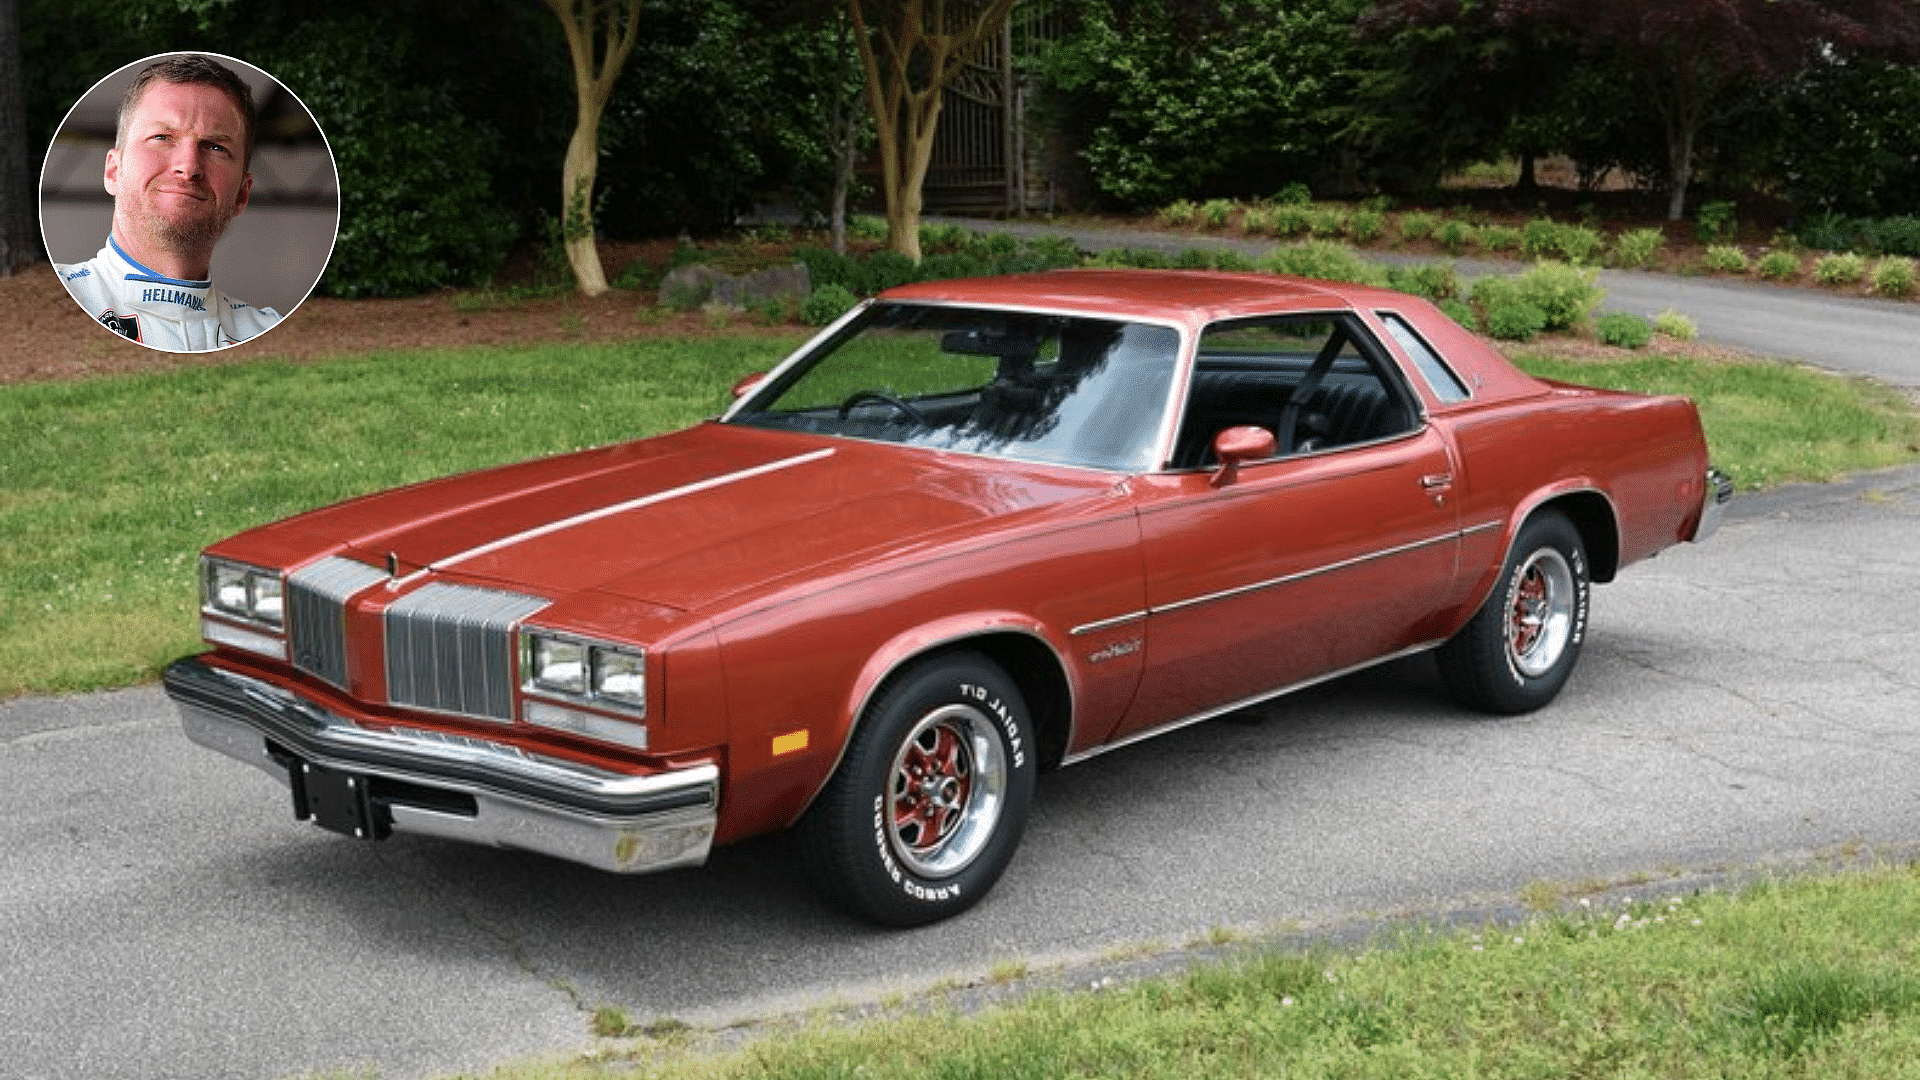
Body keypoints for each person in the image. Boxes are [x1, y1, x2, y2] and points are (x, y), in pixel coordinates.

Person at [54, 55, 281, 351]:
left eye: (216, 147)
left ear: (242, 194)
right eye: (162, 137)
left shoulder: (267, 332)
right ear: (113, 171)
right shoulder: (54, 298)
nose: (188, 167)